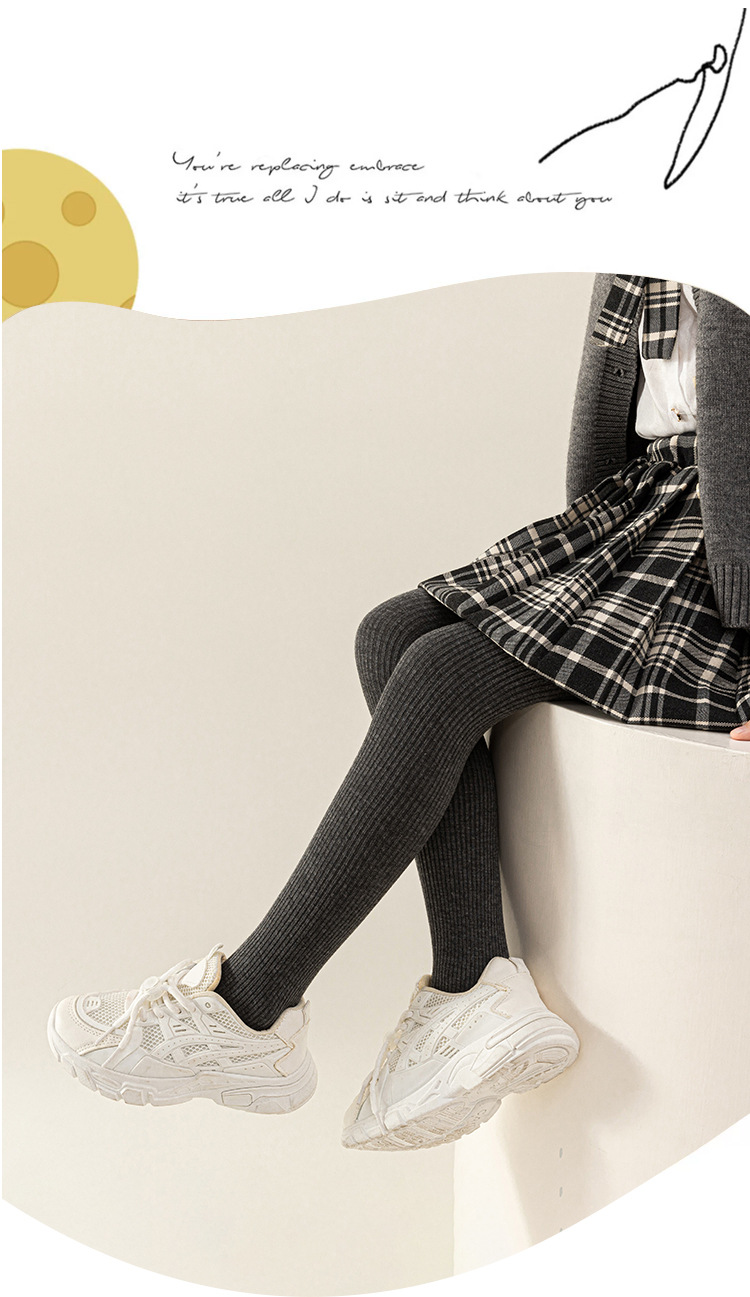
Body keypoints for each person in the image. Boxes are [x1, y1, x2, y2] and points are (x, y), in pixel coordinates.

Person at [48, 274, 750, 1152]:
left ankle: (249, 1005)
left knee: (442, 674)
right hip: (646, 510)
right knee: (391, 635)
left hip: (723, 553)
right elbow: (608, 411)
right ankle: (472, 982)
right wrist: (578, 544)